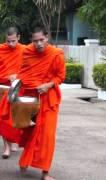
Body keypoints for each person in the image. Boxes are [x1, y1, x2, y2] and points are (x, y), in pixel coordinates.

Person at [17, 27, 65, 180]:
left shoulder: (56, 54)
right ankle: (26, 160)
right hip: (30, 98)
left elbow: (60, 76)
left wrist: (48, 85)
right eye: (35, 41)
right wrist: (17, 80)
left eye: (41, 40)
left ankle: (45, 171)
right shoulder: (27, 52)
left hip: (48, 98)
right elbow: (23, 72)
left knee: (47, 135)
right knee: (30, 131)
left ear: (47, 38)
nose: (38, 44)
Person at [0, 27, 24, 159]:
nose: (11, 44)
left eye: (14, 41)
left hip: (18, 87)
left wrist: (17, 75)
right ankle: (6, 147)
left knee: (16, 117)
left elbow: (27, 69)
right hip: (3, 87)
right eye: (8, 41)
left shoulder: (24, 50)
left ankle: (15, 140)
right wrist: (7, 76)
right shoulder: (0, 49)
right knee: (3, 118)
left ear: (19, 38)